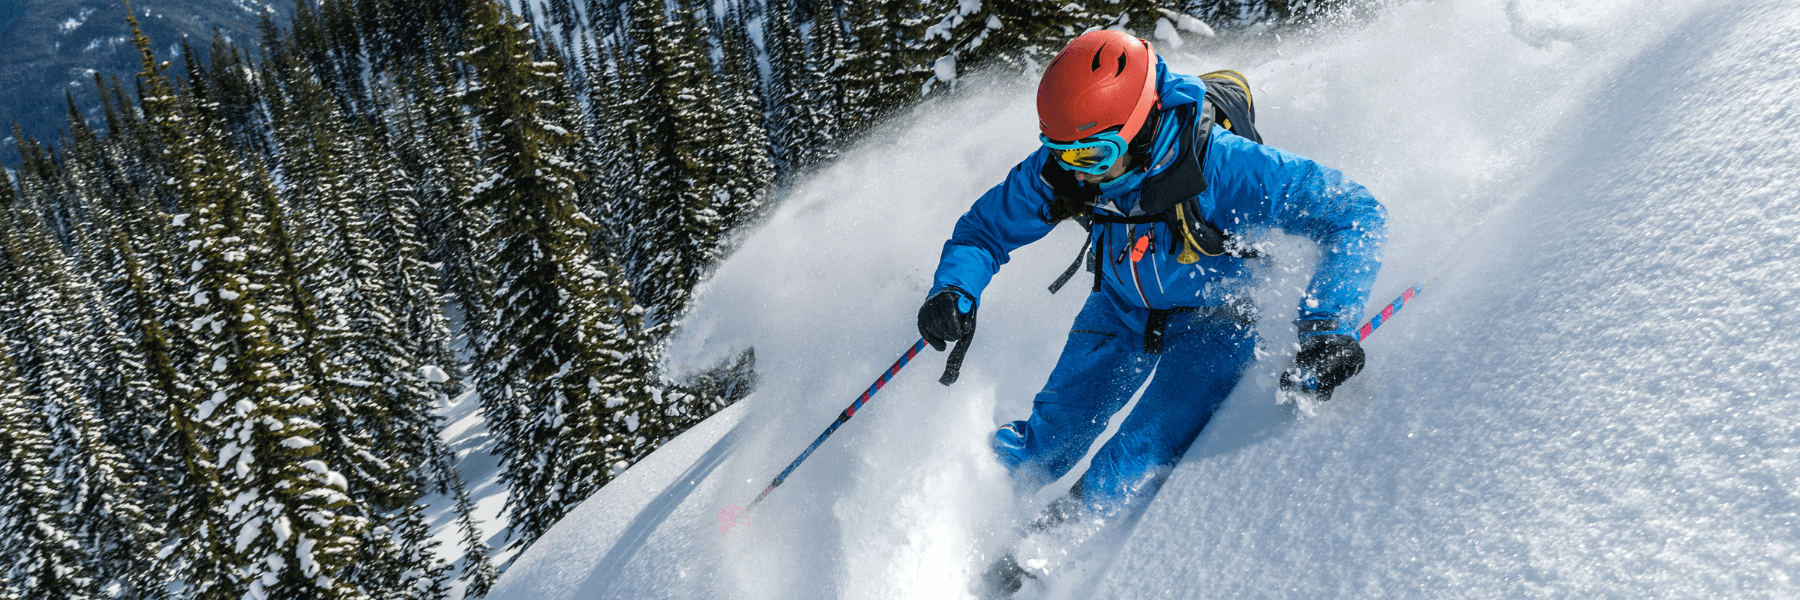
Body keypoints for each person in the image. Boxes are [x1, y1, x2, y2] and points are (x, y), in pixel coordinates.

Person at [917, 30, 1387, 522]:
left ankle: (1044, 556)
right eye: (1058, 152)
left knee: (1131, 458)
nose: (1075, 174)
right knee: (1044, 443)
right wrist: (954, 288)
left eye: (1089, 157)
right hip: (1119, 309)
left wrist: (1327, 326)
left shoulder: (1223, 165)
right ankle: (953, 516)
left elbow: (1354, 212)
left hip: (1216, 318)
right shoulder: (1068, 166)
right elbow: (984, 231)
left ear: (1139, 125)